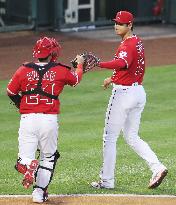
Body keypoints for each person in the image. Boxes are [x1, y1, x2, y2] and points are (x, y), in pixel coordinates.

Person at [91, 11, 168, 189]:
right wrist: (113, 78)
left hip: (123, 96)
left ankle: (107, 180)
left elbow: (122, 63)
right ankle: (157, 167)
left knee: (109, 138)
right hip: (138, 92)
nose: (116, 26)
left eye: (121, 23)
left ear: (130, 25)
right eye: (116, 22)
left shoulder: (127, 46)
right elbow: (131, 66)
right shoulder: (136, 41)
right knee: (131, 136)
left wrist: (99, 64)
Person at [7, 37, 84, 203]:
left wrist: (22, 105)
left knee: (23, 159)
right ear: (52, 53)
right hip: (49, 120)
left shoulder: (23, 69)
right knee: (48, 157)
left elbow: (10, 92)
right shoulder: (60, 70)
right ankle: (39, 193)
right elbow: (76, 80)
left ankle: (28, 166)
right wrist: (80, 65)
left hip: (27, 119)